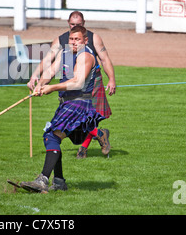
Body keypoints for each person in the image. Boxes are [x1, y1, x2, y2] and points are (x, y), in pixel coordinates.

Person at [20, 26, 109, 193]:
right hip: (67, 103)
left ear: (85, 40)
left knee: (52, 135)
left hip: (80, 103)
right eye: (71, 39)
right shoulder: (64, 53)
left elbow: (77, 82)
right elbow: (51, 70)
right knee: (52, 137)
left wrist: (51, 88)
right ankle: (59, 182)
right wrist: (40, 85)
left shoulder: (86, 56)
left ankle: (43, 180)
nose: (74, 42)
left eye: (77, 39)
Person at [27, 11, 115, 158]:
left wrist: (111, 79)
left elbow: (104, 59)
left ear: (84, 24)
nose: (75, 26)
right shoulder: (61, 40)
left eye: (79, 25)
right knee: (80, 120)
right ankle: (98, 134)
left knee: (83, 115)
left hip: (89, 84)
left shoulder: (94, 38)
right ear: (68, 23)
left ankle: (84, 147)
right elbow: (49, 61)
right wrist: (37, 78)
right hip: (68, 84)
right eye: (73, 24)